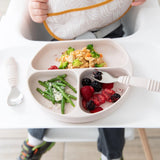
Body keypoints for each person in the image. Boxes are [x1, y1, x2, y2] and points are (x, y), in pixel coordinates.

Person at [18, 0, 146, 160]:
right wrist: (34, 6)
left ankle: (111, 155)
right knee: (49, 89)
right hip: (64, 37)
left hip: (109, 34)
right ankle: (34, 140)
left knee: (112, 104)